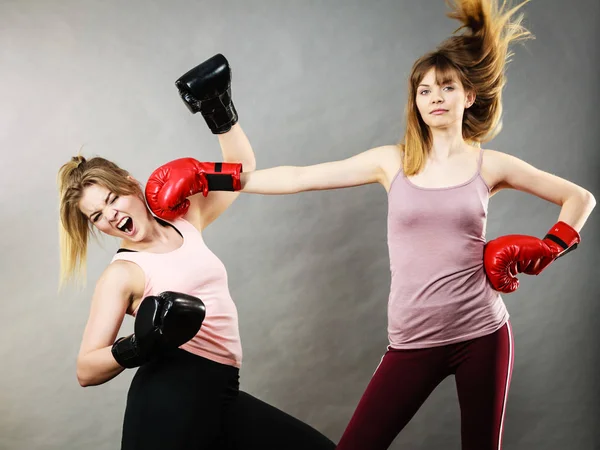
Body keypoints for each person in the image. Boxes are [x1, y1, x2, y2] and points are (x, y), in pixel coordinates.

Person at [146, 2, 596, 449]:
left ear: (469, 96)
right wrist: (213, 176)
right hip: (413, 338)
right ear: (415, 103)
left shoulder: (490, 164)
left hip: (483, 331)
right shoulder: (393, 161)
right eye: (424, 91)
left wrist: (550, 247)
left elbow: (580, 197)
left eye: (446, 87)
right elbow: (302, 177)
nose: (435, 97)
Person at [57, 54, 335, 450]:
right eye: (97, 216)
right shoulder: (123, 273)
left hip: (221, 394)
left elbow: (240, 169)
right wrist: (140, 345)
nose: (111, 217)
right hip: (170, 403)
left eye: (113, 199)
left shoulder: (185, 219)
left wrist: (217, 108)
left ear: (132, 184)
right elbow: (86, 369)